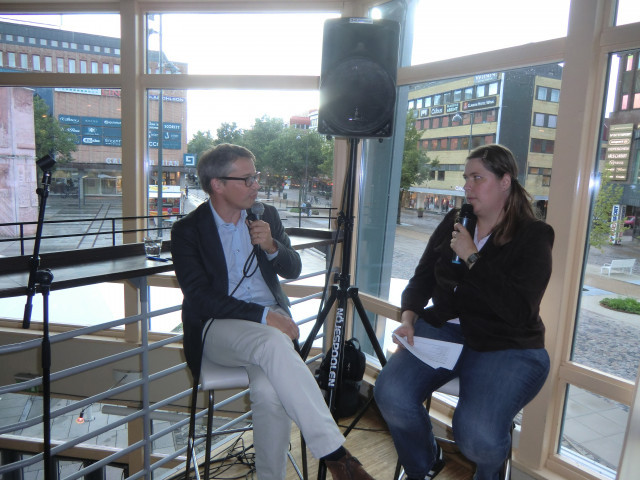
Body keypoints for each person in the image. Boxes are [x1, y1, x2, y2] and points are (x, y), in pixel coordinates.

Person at [171, 144, 374, 480]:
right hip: (217, 327)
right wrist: (267, 317)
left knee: (269, 393)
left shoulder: (266, 216)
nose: (256, 185)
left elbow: (292, 268)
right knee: (272, 341)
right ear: (217, 184)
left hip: (269, 332)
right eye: (247, 178)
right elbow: (200, 298)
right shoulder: (188, 231)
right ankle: (338, 457)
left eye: (256, 177)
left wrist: (271, 246)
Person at [374, 144, 554, 480]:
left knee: (477, 437)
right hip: (444, 329)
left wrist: (473, 257)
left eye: (477, 178)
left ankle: (490, 472)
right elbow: (423, 275)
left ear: (505, 181)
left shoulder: (534, 235)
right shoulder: (455, 221)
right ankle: (424, 465)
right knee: (390, 393)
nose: (467, 186)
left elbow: (518, 310)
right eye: (466, 178)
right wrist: (409, 317)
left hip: (505, 342)